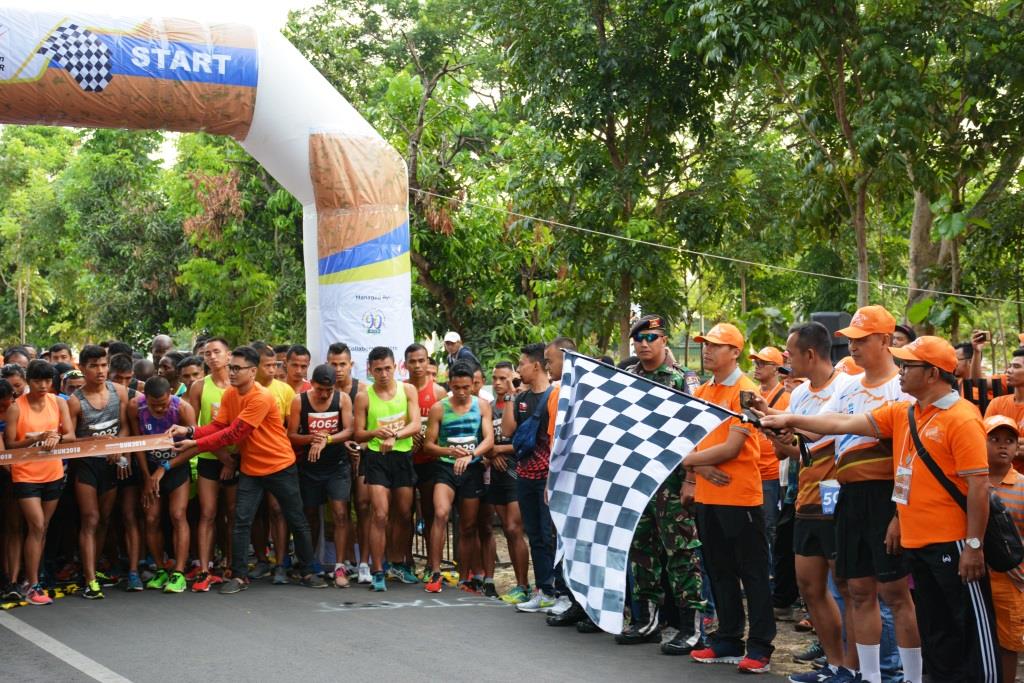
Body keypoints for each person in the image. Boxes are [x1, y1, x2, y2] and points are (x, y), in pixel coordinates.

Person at [760, 336, 995, 683]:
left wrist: (973, 546)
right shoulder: (905, 413)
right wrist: (788, 418)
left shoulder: (961, 417)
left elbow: (979, 487)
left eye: (909, 365)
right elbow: (841, 424)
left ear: (932, 374)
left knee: (966, 632)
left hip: (955, 543)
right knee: (936, 631)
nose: (901, 371)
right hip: (917, 541)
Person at [171, 346, 327, 594]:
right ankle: (240, 575)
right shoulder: (231, 395)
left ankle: (309, 570)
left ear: (252, 372)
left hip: (279, 465)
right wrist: (189, 431)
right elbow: (219, 425)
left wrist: (196, 443)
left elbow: (235, 433)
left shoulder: (261, 397)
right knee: (241, 521)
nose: (231, 372)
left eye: (236, 368)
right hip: (251, 468)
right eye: (230, 367)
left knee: (296, 518)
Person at [821, 305, 921, 683]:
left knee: (895, 593)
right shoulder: (846, 384)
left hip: (887, 497)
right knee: (859, 590)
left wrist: (899, 512)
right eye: (850, 340)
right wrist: (781, 422)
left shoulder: (904, 388)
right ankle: (871, 677)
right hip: (850, 495)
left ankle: (911, 677)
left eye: (862, 340)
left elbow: (910, 458)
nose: (853, 347)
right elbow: (820, 431)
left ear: (886, 340)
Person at [759, 322, 856, 682]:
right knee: (811, 587)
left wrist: (798, 428)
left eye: (790, 353)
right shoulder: (797, 396)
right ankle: (833, 664)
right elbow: (799, 453)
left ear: (810, 354)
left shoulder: (847, 387)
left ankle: (855, 667)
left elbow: (835, 434)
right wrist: (775, 432)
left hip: (839, 500)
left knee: (847, 589)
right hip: (806, 499)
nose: (786, 358)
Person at [684, 322, 775, 674]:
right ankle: (728, 640)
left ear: (735, 352)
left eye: (716, 345)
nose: (707, 350)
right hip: (709, 495)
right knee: (718, 569)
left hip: (741, 497)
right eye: (705, 345)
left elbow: (733, 446)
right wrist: (699, 469)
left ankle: (761, 646)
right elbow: (692, 440)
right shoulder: (703, 390)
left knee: (752, 573)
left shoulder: (746, 390)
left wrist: (689, 462)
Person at [611, 315, 705, 653]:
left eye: (651, 337)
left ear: (664, 340)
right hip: (638, 480)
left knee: (681, 552)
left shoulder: (681, 380)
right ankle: (646, 620)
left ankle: (691, 626)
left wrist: (692, 479)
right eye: (639, 338)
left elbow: (695, 430)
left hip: (672, 481)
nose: (644, 344)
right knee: (641, 550)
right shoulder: (628, 379)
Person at [4, 360, 75, 605]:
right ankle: (32, 584)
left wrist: (55, 437)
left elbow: (71, 435)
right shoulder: (17, 407)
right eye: (37, 381)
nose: (43, 385)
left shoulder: (59, 402)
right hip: (24, 473)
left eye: (47, 381)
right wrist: (36, 439)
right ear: (28, 381)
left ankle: (31, 578)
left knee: (42, 528)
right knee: (36, 525)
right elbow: (11, 444)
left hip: (53, 472)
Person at [67, 345, 132, 599]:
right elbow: (70, 436)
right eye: (93, 366)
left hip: (111, 464)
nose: (100, 370)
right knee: (90, 518)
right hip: (86, 465)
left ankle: (92, 567)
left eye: (104, 365)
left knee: (104, 519)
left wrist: (117, 445)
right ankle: (90, 579)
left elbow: (127, 427)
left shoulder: (120, 392)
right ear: (82, 368)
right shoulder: (75, 401)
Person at [353, 346, 421, 592]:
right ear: (370, 370)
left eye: (388, 368)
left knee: (404, 513)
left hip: (402, 457)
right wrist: (375, 433)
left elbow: (415, 425)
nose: (383, 374)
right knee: (380, 514)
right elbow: (358, 432)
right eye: (378, 369)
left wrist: (395, 435)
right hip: (376, 458)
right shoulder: (363, 396)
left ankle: (398, 563)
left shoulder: (408, 390)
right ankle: (377, 569)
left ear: (396, 367)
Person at [422, 362, 493, 593]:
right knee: (440, 514)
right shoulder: (439, 408)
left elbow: (488, 440)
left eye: (466, 387)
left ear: (473, 384)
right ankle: (434, 572)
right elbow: (428, 446)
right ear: (449, 384)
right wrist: (450, 452)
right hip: (445, 469)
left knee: (468, 525)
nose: (462, 392)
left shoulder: (482, 406)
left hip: (471, 470)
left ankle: (465, 577)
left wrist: (471, 455)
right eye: (456, 387)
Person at [503, 342, 559, 613]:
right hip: (524, 475)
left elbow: (557, 440)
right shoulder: (522, 399)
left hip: (548, 478)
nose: (518, 369)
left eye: (521, 363)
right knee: (535, 534)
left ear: (536, 365)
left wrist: (553, 478)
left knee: (550, 536)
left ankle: (558, 590)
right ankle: (543, 590)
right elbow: (507, 432)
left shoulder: (554, 395)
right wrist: (512, 396)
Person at [288, 364, 354, 588]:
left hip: (337, 466)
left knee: (340, 513)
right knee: (310, 516)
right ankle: (310, 563)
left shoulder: (343, 399)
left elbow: (349, 430)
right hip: (309, 467)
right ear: (312, 384)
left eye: (329, 389)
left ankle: (339, 566)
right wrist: (312, 439)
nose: (324, 394)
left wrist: (327, 439)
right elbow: (292, 435)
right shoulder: (299, 401)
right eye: (320, 389)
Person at [130, 376, 197, 595]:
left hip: (175, 467)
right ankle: (160, 569)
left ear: (171, 394)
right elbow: (136, 443)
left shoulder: (183, 408)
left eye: (163, 404)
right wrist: (147, 476)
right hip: (149, 468)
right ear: (145, 398)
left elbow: (193, 447)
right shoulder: (135, 407)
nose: (159, 409)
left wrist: (164, 468)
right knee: (151, 518)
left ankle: (178, 572)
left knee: (178, 515)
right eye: (154, 405)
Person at [186, 337, 235, 593]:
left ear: (229, 356)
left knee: (233, 514)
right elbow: (195, 429)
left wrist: (231, 459)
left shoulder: (241, 387)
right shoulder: (198, 387)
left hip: (237, 459)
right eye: (207, 353)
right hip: (209, 458)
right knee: (207, 513)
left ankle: (231, 564)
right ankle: (205, 569)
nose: (212, 357)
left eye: (217, 352)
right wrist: (222, 457)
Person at [250, 341, 296, 585]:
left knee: (278, 510)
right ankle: (260, 559)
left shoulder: (285, 391)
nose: (272, 369)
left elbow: (290, 427)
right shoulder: (243, 390)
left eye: (274, 365)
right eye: (266, 365)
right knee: (256, 512)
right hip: (250, 461)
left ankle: (280, 563)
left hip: (278, 461)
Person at [485, 361, 530, 603]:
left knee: (515, 528)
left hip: (518, 471)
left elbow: (526, 440)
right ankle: (518, 584)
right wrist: (491, 454)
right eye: (495, 378)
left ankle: (524, 584)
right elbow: (482, 440)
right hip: (496, 475)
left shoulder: (522, 403)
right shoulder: (489, 407)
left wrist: (499, 450)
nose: (498, 383)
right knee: (506, 529)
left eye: (504, 378)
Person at [984, 415, 1024, 683]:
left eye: (1010, 441)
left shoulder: (1021, 486)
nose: (1002, 446)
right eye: (994, 439)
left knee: (1008, 643)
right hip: (974, 575)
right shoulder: (969, 482)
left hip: (1010, 579)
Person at [326, 342, 369, 583]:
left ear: (351, 364)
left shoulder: (363, 390)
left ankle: (364, 563)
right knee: (340, 513)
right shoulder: (323, 390)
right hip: (334, 459)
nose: (339, 369)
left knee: (363, 507)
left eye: (343, 364)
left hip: (362, 457)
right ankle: (348, 561)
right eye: (334, 364)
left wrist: (360, 447)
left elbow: (371, 427)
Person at [406, 343, 446, 584]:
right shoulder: (400, 390)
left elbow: (446, 425)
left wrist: (428, 437)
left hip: (431, 461)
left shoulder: (439, 392)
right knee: (403, 514)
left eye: (422, 361)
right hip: (405, 460)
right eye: (413, 361)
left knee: (432, 515)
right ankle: (406, 562)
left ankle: (434, 565)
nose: (418, 366)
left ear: (427, 362)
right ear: (406, 363)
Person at [750, 346, 789, 566]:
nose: (757, 367)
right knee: (757, 526)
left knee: (770, 525)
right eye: (756, 363)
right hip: (754, 470)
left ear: (775, 368)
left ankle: (773, 574)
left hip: (772, 473)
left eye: (762, 363)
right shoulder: (753, 393)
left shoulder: (785, 397)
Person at [985, 350, 1024, 473]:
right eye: (1010, 366)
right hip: (997, 478)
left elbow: (993, 445)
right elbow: (984, 441)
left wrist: (1000, 443)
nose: (1009, 371)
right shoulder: (997, 403)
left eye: (1016, 367)